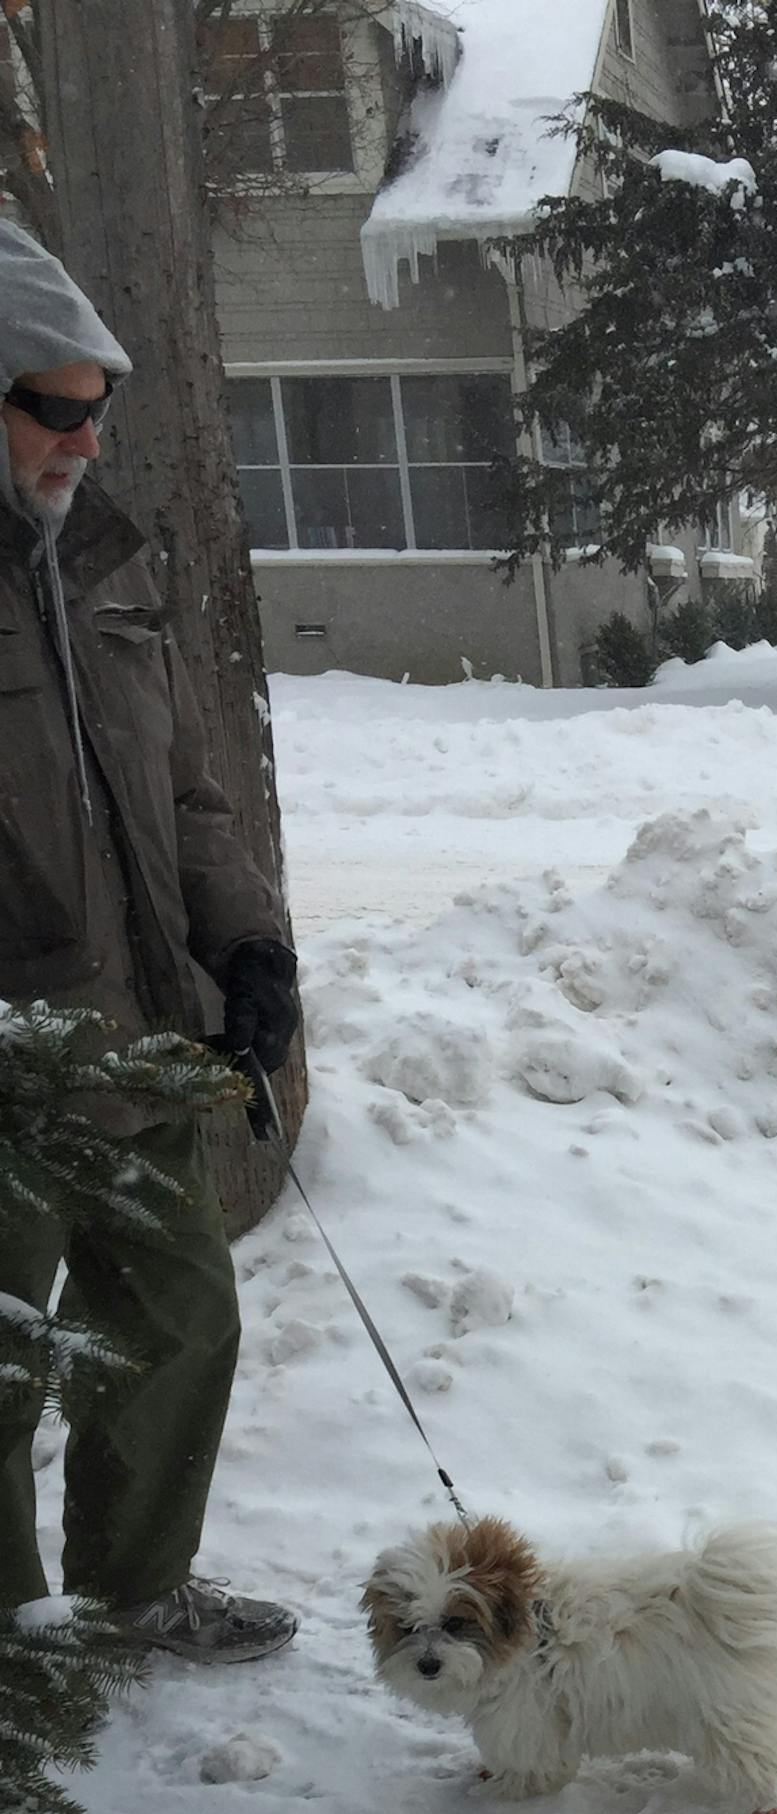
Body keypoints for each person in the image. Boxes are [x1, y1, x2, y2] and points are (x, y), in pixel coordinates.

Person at [0, 222, 298, 1660]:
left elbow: (185, 788)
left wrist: (248, 950)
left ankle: (131, 1592)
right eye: (56, 408)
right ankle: (16, 1664)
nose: (85, 443)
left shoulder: (103, 562)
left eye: (97, 412)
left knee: (178, 1322)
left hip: (138, 1035)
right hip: (8, 1062)